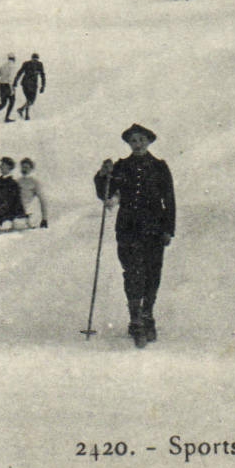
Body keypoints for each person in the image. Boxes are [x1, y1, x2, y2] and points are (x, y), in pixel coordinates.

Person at [94, 124, 175, 348]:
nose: (137, 144)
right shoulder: (121, 167)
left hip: (154, 227)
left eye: (141, 140)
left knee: (152, 273)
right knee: (132, 272)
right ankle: (135, 319)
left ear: (148, 142)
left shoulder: (159, 167)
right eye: (133, 141)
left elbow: (169, 200)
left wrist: (169, 229)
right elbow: (106, 192)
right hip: (128, 227)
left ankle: (148, 315)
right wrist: (103, 175)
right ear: (128, 144)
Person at [0, 53, 20, 122]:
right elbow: (11, 78)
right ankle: (6, 117)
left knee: (3, 102)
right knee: (12, 102)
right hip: (8, 85)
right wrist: (12, 89)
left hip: (1, 85)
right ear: (14, 58)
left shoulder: (3, 65)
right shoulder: (13, 66)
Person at [18, 52, 46, 120]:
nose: (35, 61)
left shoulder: (38, 64)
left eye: (35, 59)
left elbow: (42, 75)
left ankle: (21, 110)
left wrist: (43, 86)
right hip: (28, 84)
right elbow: (20, 72)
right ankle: (26, 115)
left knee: (31, 100)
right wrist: (43, 86)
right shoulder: (37, 64)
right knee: (30, 100)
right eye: (34, 59)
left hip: (28, 84)